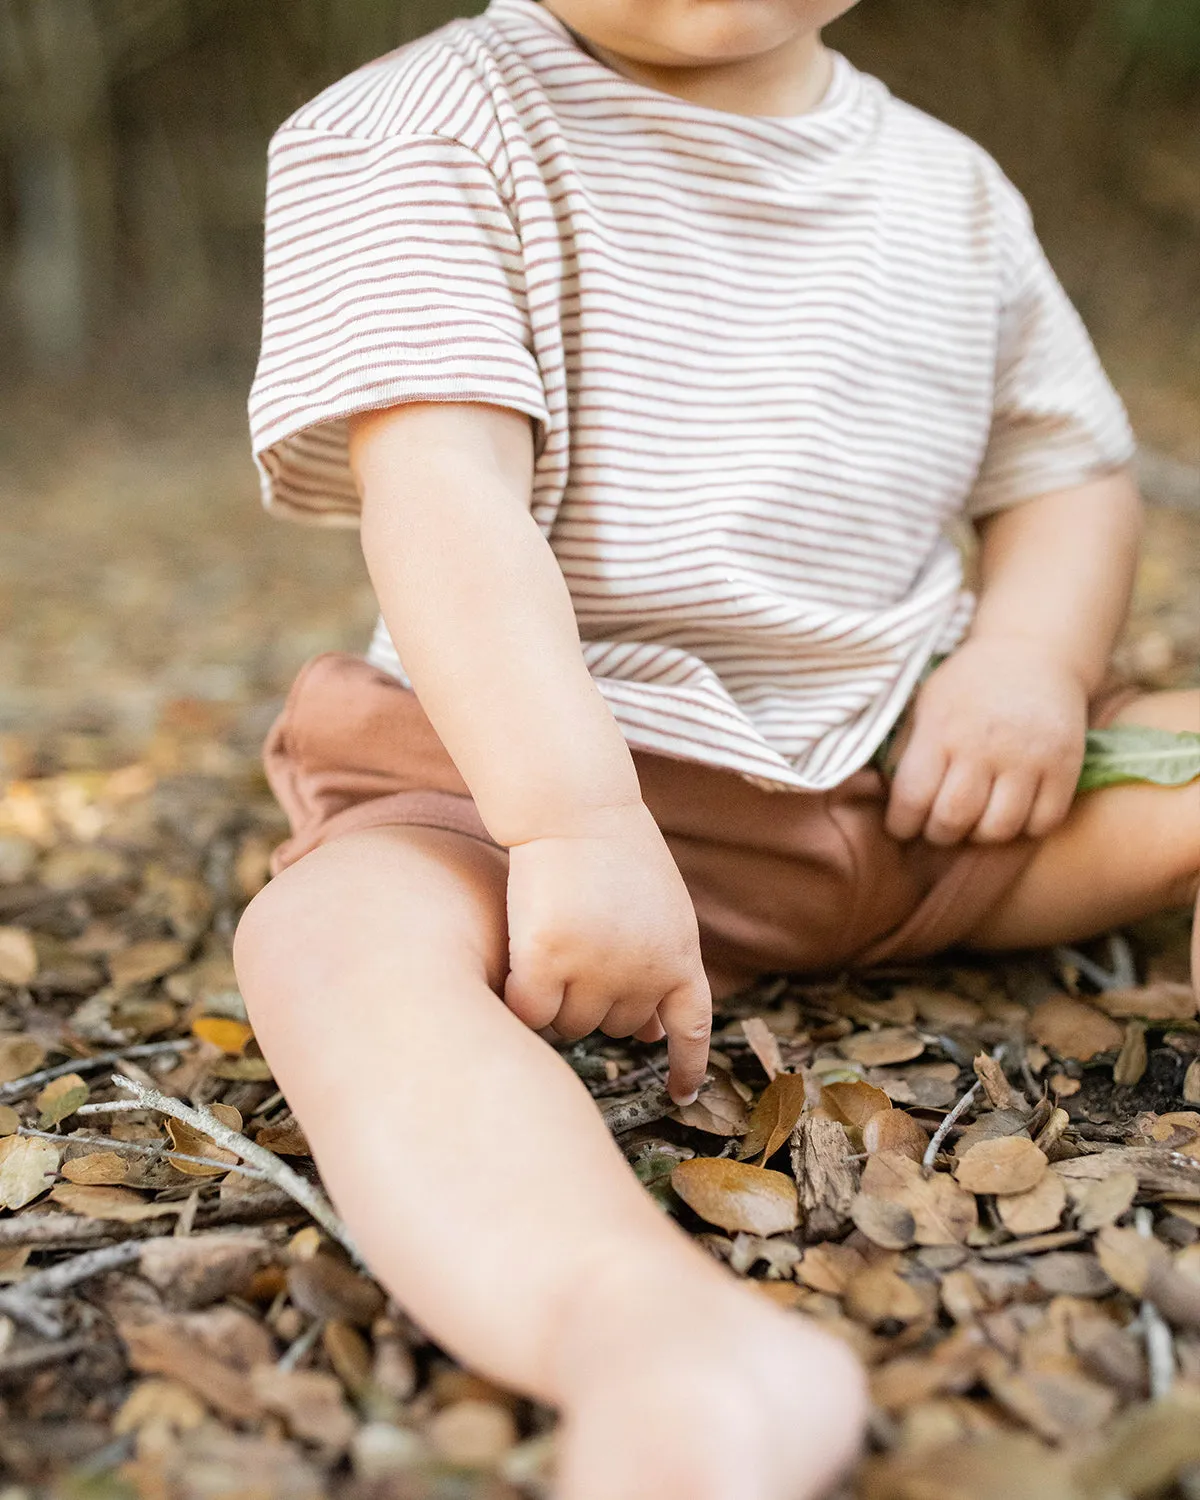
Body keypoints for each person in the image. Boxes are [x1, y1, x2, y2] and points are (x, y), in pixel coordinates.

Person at [235, 0, 1200, 1493]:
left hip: (910, 786)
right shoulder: (422, 128)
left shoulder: (951, 189)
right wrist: (570, 821)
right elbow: (443, 495)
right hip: (505, 797)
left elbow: (1065, 469)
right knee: (331, 942)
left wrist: (1026, 662)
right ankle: (645, 1332)